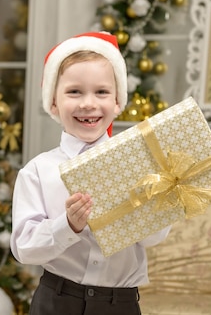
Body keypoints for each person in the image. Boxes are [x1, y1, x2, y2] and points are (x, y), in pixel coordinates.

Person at [10, 32, 170, 315]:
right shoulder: (37, 172)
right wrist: (67, 225)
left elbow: (154, 239)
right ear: (54, 103)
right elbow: (25, 248)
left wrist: (150, 204)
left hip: (119, 305)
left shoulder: (139, 165)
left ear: (117, 102)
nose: (88, 103)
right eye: (74, 92)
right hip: (57, 301)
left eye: (102, 92)